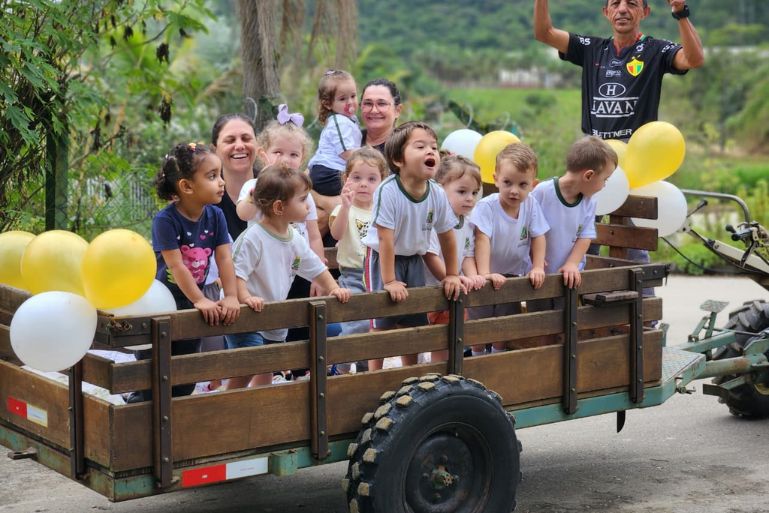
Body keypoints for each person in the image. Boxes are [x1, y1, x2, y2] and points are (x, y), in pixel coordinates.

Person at [128, 143, 241, 403]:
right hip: (162, 303)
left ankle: (176, 415)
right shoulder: (165, 220)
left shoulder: (216, 215)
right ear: (187, 186)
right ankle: (138, 408)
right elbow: (176, 265)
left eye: (220, 174)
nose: (222, 182)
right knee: (152, 370)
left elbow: (224, 257)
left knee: (186, 372)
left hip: (193, 301)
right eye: (212, 176)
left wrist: (231, 295)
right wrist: (200, 299)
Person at [225, 165, 351, 390]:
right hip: (246, 314)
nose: (308, 205)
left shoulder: (294, 238)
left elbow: (316, 268)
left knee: (269, 363)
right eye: (302, 200)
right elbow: (236, 274)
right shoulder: (253, 237)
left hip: (272, 313)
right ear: (279, 207)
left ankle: (261, 400)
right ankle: (229, 400)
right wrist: (245, 298)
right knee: (250, 362)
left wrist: (333, 288)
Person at [361, 121, 465, 371]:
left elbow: (447, 236)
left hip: (414, 258)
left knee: (413, 318)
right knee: (382, 320)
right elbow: (385, 239)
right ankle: (373, 375)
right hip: (383, 259)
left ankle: (411, 371)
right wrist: (389, 281)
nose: (431, 151)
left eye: (434, 147)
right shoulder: (388, 191)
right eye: (420, 146)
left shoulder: (437, 193)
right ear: (399, 159)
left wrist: (452, 274)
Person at [534, 0, 704, 141]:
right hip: (594, 150)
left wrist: (681, 13)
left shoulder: (656, 49)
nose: (622, 9)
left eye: (631, 4)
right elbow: (544, 33)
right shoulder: (590, 48)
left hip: (637, 151)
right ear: (606, 12)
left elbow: (693, 60)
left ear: (645, 12)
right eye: (615, 4)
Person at [469, 143, 549, 355]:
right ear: (496, 179)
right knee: (479, 321)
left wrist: (537, 266)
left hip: (512, 274)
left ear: (533, 184)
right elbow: (481, 239)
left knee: (505, 321)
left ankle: (498, 355)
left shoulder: (530, 204)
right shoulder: (487, 206)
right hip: (482, 276)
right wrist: (484, 274)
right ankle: (477, 355)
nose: (514, 190)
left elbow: (538, 235)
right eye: (507, 182)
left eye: (523, 184)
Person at [313, 78, 403, 240]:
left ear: (397, 110)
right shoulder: (347, 139)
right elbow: (305, 181)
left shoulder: (400, 152)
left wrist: (331, 206)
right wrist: (324, 202)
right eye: (367, 104)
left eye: (381, 103)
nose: (374, 110)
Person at [328, 147, 388, 373]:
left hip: (377, 274)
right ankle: (341, 365)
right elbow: (336, 234)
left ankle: (364, 370)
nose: (364, 184)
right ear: (346, 179)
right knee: (357, 324)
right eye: (357, 177)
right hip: (353, 275)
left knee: (373, 323)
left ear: (382, 182)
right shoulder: (343, 209)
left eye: (372, 179)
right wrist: (345, 207)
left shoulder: (382, 211)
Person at [531, 136, 618, 289]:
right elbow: (527, 226)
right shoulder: (543, 192)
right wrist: (534, 258)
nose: (604, 185)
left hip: (568, 276)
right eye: (605, 179)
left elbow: (585, 236)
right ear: (588, 175)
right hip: (537, 273)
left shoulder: (589, 202)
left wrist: (572, 264)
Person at [422, 154, 485, 363]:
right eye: (462, 191)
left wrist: (473, 276)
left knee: (453, 337)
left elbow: (466, 255)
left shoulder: (466, 221)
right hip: (432, 289)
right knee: (440, 339)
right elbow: (430, 255)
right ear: (441, 190)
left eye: (474, 192)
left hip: (453, 288)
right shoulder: (435, 219)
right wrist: (452, 277)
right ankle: (438, 372)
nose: (470, 198)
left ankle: (450, 370)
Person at [307, 69, 361, 199]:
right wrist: (368, 153)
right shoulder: (338, 122)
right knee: (359, 189)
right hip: (328, 173)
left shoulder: (349, 119)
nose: (350, 102)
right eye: (342, 99)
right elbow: (346, 153)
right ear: (328, 104)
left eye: (353, 96)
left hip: (333, 171)